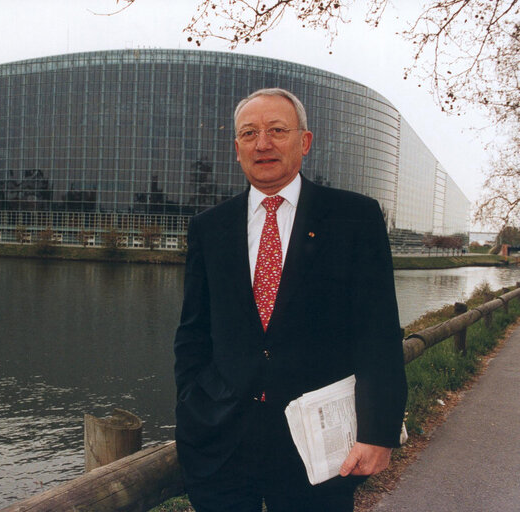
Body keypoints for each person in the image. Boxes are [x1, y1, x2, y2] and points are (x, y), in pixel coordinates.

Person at [173, 88, 407, 512]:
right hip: (222, 445)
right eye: (249, 133)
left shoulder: (354, 218)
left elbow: (379, 334)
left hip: (319, 451)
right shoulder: (210, 228)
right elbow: (192, 333)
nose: (263, 143)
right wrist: (193, 407)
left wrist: (379, 432)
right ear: (237, 148)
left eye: (277, 130)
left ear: (305, 141)